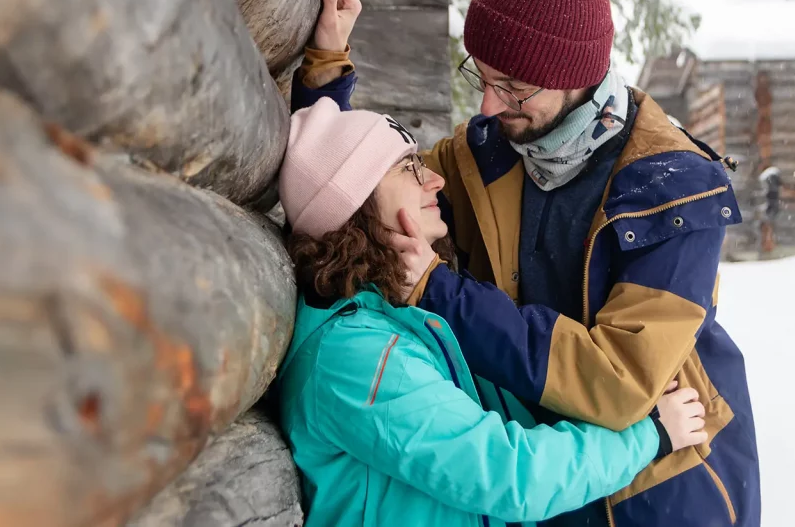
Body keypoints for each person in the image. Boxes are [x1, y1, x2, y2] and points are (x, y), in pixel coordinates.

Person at [295, 0, 761, 527]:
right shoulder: (490, 153)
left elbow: (619, 383)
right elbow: (350, 187)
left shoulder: (673, 193)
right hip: (547, 485)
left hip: (661, 490)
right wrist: (327, 66)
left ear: (575, 77)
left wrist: (440, 293)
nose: (489, 105)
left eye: (514, 86)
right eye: (481, 77)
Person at [273, 96, 709, 527]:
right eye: (408, 168)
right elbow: (513, 476)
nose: (434, 181)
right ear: (356, 205)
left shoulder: (393, 312)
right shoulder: (358, 359)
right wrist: (647, 437)